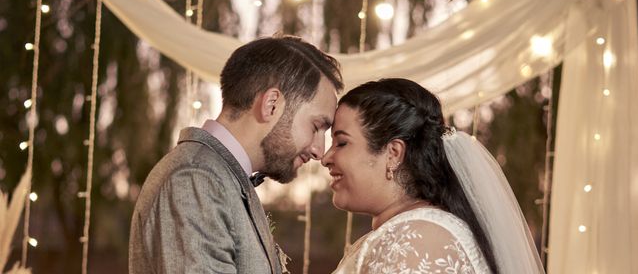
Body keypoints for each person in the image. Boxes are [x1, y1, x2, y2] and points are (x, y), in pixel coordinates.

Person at [129, 35, 343, 274]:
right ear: (271, 104)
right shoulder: (195, 178)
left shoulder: (222, 178)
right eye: (316, 127)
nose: (319, 150)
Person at [323, 78, 545, 274]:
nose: (326, 158)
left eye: (342, 143)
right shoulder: (412, 230)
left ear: (393, 154)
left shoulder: (414, 240)